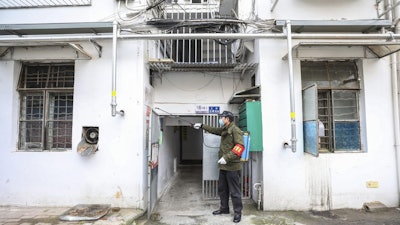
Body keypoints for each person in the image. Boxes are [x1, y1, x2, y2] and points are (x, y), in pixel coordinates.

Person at [193, 110, 244, 223]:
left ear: (227, 119)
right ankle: (224, 208)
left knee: (234, 192)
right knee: (222, 189)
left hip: (232, 167)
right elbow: (215, 130)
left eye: (222, 118)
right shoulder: (225, 129)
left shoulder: (235, 130)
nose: (220, 119)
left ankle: (237, 213)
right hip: (223, 167)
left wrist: (226, 158)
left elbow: (240, 146)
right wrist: (202, 126)